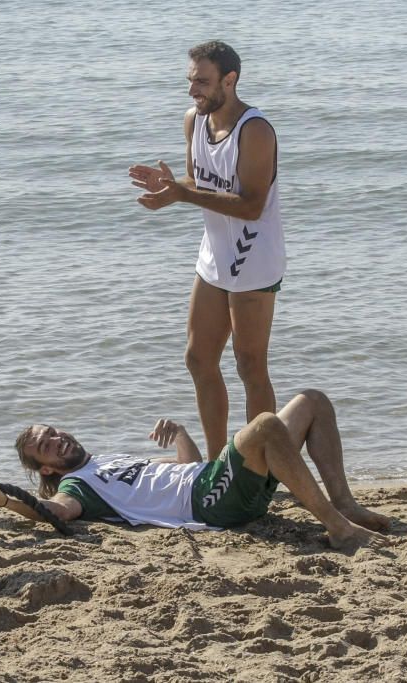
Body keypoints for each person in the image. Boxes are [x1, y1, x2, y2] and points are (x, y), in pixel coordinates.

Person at [0, 390, 389, 552]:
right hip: (209, 501)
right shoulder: (75, 486)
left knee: (311, 402)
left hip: (211, 481)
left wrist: (180, 433)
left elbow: (186, 466)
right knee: (265, 425)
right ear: (45, 465)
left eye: (54, 432)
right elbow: (54, 513)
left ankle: (345, 505)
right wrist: (5, 501)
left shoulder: (107, 461)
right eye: (46, 445)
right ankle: (338, 528)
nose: (57, 439)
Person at [128, 41, 285, 460]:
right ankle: (217, 463)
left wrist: (183, 195)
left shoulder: (255, 130)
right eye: (190, 80)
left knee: (250, 367)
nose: (192, 90)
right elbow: (202, 182)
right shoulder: (193, 122)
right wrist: (172, 189)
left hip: (253, 257)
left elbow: (251, 205)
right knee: (198, 359)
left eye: (202, 81)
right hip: (214, 253)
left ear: (229, 81)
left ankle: (259, 465)